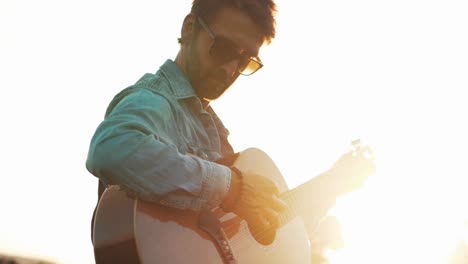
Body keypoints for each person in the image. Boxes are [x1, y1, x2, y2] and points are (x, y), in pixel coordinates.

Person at [86, 0, 375, 261]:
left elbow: (252, 247)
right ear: (189, 29)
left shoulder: (210, 127)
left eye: (246, 60)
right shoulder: (156, 100)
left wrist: (332, 186)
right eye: (223, 49)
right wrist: (231, 188)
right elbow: (112, 148)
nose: (230, 69)